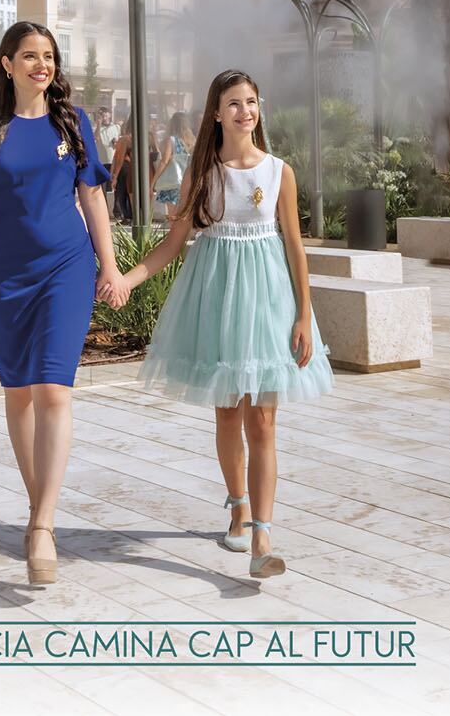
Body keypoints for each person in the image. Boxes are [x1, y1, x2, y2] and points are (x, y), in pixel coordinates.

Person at [105, 69, 333, 580]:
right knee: (229, 415)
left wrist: (304, 314)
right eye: (234, 103)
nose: (245, 111)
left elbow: (295, 247)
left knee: (265, 421)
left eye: (251, 102)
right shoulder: (202, 173)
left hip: (269, 303)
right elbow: (171, 245)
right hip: (218, 301)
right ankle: (237, 506)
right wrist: (126, 279)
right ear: (216, 112)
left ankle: (263, 536)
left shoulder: (279, 171)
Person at [0, 21, 121, 587]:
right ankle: (37, 510)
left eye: (48, 56)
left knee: (52, 388)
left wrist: (110, 264)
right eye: (29, 56)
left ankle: (43, 525)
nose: (41, 65)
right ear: (7, 65)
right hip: (3, 274)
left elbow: (92, 197)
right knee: (18, 394)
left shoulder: (72, 123)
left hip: (66, 268)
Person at [151, 110, 194, 219]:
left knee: (173, 215)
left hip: (173, 182)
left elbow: (165, 161)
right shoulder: (191, 140)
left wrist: (154, 181)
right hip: (188, 181)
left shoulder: (172, 140)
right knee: (184, 215)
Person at [110, 116, 134, 223]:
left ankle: (127, 217)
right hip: (134, 168)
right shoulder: (142, 138)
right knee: (131, 193)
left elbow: (119, 158)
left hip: (124, 168)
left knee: (121, 193)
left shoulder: (124, 139)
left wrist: (114, 176)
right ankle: (132, 216)